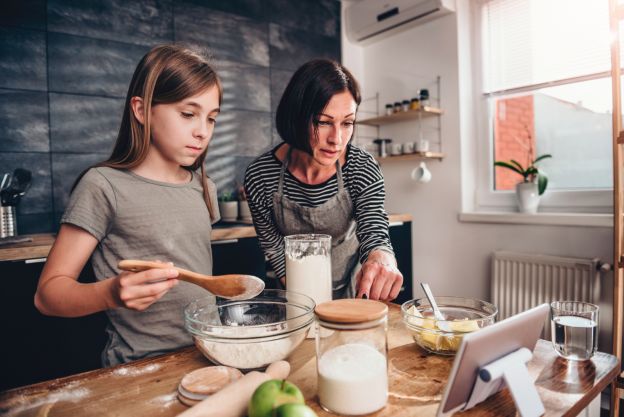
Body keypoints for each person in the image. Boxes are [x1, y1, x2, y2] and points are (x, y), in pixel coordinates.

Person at [34, 44, 222, 367]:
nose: (202, 131)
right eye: (188, 114)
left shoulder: (205, 188)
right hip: (140, 368)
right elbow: (47, 295)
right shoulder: (103, 185)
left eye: (212, 119)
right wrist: (110, 294)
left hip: (210, 356)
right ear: (141, 109)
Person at [244, 59, 403, 301]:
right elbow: (275, 248)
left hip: (353, 291)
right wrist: (307, 297)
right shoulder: (261, 176)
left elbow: (374, 231)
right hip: (294, 295)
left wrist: (382, 257)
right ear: (297, 116)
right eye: (323, 122)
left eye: (347, 123)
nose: (337, 139)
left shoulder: (361, 167)